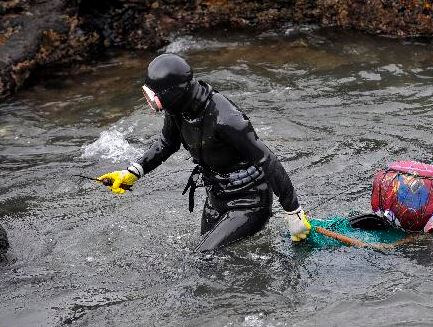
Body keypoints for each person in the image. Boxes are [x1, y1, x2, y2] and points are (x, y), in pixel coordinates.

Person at [98, 54, 311, 251]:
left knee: (204, 255)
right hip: (217, 195)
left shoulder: (226, 119)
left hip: (250, 202)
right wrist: (133, 172)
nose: (152, 103)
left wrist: (293, 211)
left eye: (153, 97)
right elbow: (166, 143)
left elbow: (267, 159)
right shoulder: (178, 109)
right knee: (206, 253)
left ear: (172, 93)